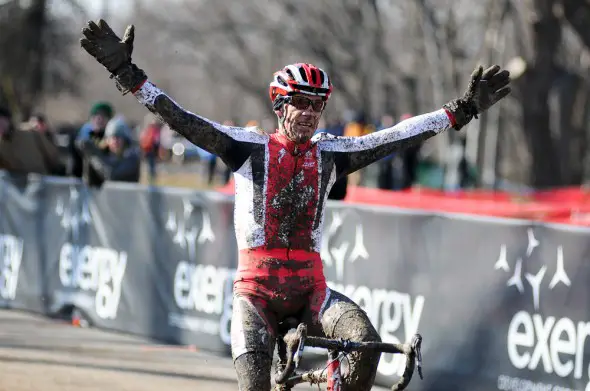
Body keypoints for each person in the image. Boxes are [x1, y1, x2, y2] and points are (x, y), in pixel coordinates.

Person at [79, 20, 511, 391]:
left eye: (317, 106)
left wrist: (463, 109)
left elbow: (397, 136)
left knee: (365, 342)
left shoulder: (331, 154)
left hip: (311, 290)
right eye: (300, 104)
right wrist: (128, 73)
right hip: (256, 295)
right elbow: (183, 120)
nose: (309, 113)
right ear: (279, 105)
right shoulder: (247, 148)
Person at [76, 115, 141, 187]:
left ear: (125, 140)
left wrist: (94, 155)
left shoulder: (132, 157)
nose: (115, 141)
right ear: (107, 140)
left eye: (118, 137)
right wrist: (88, 154)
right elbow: (90, 181)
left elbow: (112, 175)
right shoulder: (107, 157)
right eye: (112, 138)